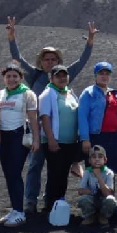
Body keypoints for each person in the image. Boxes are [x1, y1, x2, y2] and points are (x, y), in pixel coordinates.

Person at [6, 16, 98, 214]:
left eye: (53, 59)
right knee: (35, 165)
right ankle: (30, 200)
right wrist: (12, 37)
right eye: (46, 59)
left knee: (56, 168)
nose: (49, 62)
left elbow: (82, 61)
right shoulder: (34, 75)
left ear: (58, 61)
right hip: (39, 132)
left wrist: (90, 41)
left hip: (63, 134)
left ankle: (51, 199)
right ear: (41, 61)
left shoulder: (64, 75)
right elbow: (18, 58)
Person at [0, 63, 40, 227]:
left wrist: (36, 139)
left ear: (20, 78)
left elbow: (33, 118)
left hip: (19, 136)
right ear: (4, 78)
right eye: (8, 76)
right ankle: (15, 209)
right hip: (3, 137)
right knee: (8, 174)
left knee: (14, 173)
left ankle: (20, 213)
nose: (12, 79)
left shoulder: (27, 94)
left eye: (15, 76)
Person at [38, 65, 84, 212]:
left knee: (63, 175)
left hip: (70, 142)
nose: (62, 78)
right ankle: (50, 206)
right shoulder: (47, 94)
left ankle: (59, 204)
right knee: (55, 174)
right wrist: (51, 139)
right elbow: (45, 118)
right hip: (55, 142)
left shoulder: (70, 93)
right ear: (51, 78)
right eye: (58, 76)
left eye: (64, 75)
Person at [78, 62, 117, 173]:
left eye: (107, 74)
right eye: (101, 73)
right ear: (95, 75)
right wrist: (85, 139)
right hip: (96, 137)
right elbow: (82, 117)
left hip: (114, 138)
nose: (104, 76)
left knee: (111, 172)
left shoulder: (115, 94)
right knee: (95, 171)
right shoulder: (88, 93)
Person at [77, 146, 117, 227]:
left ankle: (103, 216)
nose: (97, 159)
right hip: (92, 197)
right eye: (93, 157)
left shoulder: (109, 173)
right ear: (89, 160)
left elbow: (108, 193)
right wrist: (94, 192)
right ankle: (90, 216)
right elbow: (80, 191)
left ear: (105, 160)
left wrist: (98, 176)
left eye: (100, 157)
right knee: (83, 199)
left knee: (111, 201)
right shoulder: (87, 172)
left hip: (104, 199)